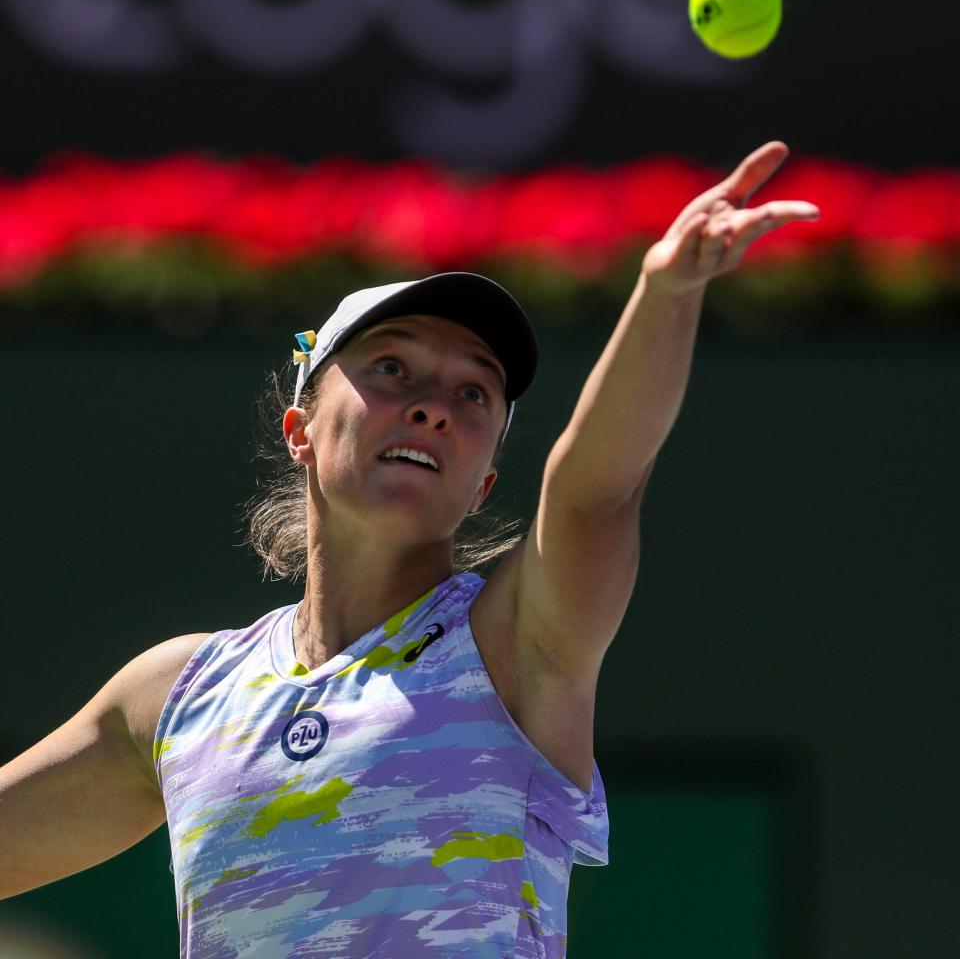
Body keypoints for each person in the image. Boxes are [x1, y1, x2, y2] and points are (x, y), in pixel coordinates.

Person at [0, 141, 818, 957]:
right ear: (301, 432)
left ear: (484, 483)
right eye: (393, 368)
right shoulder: (173, 696)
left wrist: (664, 294)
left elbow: (596, 489)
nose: (433, 407)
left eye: (473, 391)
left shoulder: (513, 646)